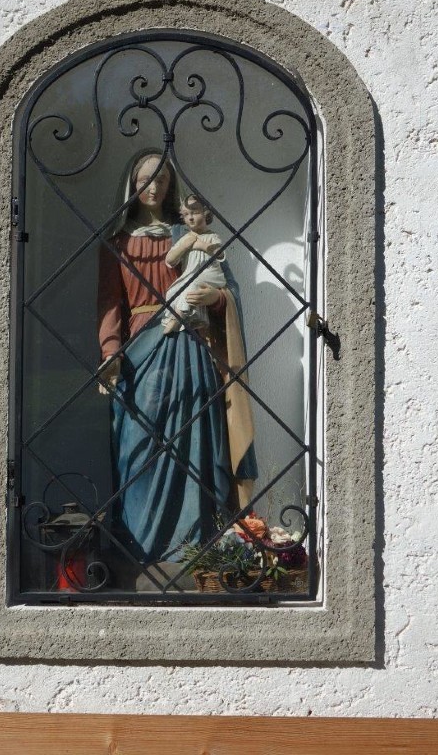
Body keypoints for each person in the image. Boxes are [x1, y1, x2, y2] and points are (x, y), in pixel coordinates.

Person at [97, 151, 257, 567]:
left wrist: (216, 298)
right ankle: (139, 554)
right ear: (132, 184)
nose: (154, 187)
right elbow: (109, 305)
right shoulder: (116, 243)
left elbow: (226, 287)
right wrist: (110, 352)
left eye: (162, 180)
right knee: (138, 449)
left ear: (172, 188)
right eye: (145, 179)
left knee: (194, 446)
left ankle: (199, 551)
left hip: (189, 348)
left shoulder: (187, 233)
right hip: (140, 356)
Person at [162, 193, 227, 336]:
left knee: (193, 286)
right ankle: (196, 319)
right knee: (172, 291)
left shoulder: (212, 236)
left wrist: (202, 246)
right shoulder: (185, 239)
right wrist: (185, 245)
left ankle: (177, 318)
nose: (190, 217)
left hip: (210, 274)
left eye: (195, 212)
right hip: (190, 274)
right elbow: (170, 260)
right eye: (186, 214)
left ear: (206, 213)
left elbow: (220, 254)